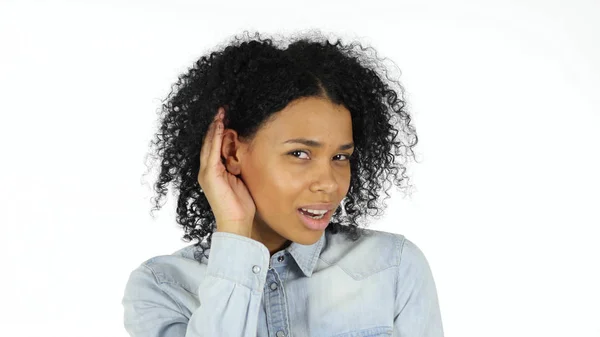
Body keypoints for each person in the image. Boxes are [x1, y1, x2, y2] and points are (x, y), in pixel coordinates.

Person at [122, 30, 444, 337]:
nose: (329, 184)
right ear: (232, 151)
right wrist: (234, 231)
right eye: (300, 153)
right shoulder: (162, 288)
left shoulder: (394, 269)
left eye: (340, 157)